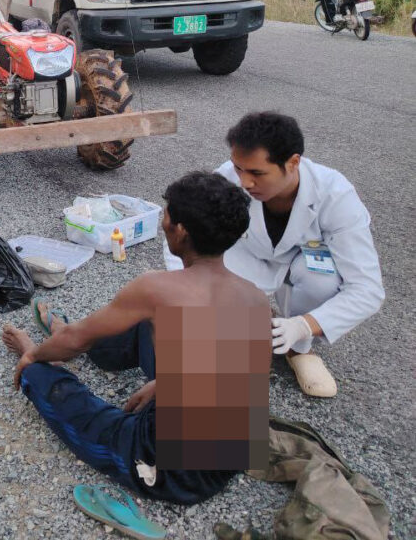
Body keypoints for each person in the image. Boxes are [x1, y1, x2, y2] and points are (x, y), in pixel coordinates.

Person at [2, 171, 271, 505]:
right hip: (236, 451)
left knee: (70, 400)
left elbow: (76, 341)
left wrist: (33, 356)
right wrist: (167, 384)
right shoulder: (255, 297)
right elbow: (241, 377)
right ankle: (77, 342)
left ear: (181, 231)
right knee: (148, 324)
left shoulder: (157, 288)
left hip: (176, 474)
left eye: (166, 216)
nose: (163, 223)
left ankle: (40, 362)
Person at [163, 112, 384, 398]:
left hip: (304, 262)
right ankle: (254, 324)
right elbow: (186, 237)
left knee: (322, 282)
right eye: (238, 168)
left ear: (293, 163)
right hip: (248, 256)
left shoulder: (335, 195)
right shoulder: (228, 179)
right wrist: (193, 302)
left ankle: (297, 349)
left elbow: (367, 289)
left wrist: (304, 325)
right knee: (206, 284)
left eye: (257, 173)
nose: (244, 182)